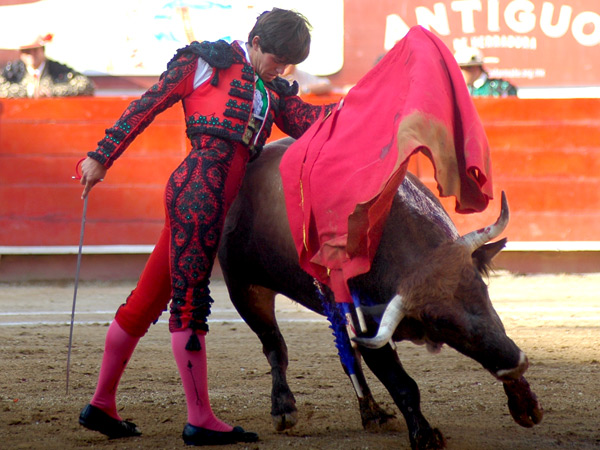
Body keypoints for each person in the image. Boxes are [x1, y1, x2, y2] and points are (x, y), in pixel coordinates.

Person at [77, 8, 336, 446]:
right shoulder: (205, 62)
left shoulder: (272, 91)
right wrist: (102, 155)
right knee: (190, 303)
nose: (282, 69)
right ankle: (199, 419)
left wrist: (363, 108)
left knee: (146, 302)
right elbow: (147, 103)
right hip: (199, 194)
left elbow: (311, 122)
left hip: (210, 198)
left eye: (289, 63)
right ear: (256, 41)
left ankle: (101, 405)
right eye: (277, 59)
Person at [0, 33, 94, 98]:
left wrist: (52, 91)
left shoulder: (57, 70)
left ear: (43, 50)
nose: (31, 55)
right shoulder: (13, 71)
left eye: (35, 50)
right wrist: (28, 91)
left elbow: (86, 85)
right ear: (21, 54)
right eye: (27, 51)